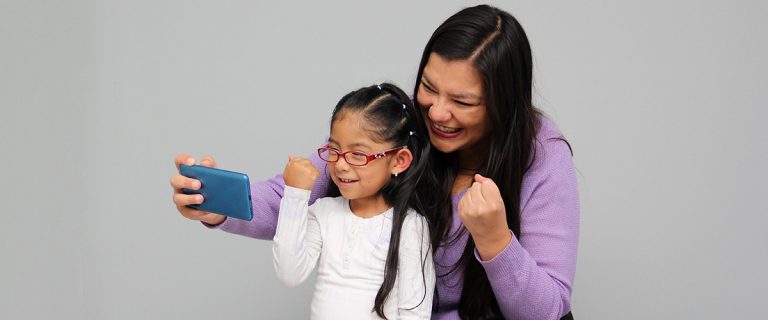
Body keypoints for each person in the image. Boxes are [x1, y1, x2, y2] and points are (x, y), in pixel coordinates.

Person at [170, 4, 578, 320]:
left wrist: (496, 241)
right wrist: (215, 204)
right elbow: (294, 192)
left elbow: (547, 312)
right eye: (429, 87)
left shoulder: (541, 155)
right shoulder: (403, 128)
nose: (436, 112)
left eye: (462, 102)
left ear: (503, 105)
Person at [272, 83, 434, 319]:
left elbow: (415, 312)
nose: (340, 164)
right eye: (334, 149)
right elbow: (289, 274)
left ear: (399, 161)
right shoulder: (323, 213)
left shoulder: (410, 226)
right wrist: (295, 195)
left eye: (358, 154)